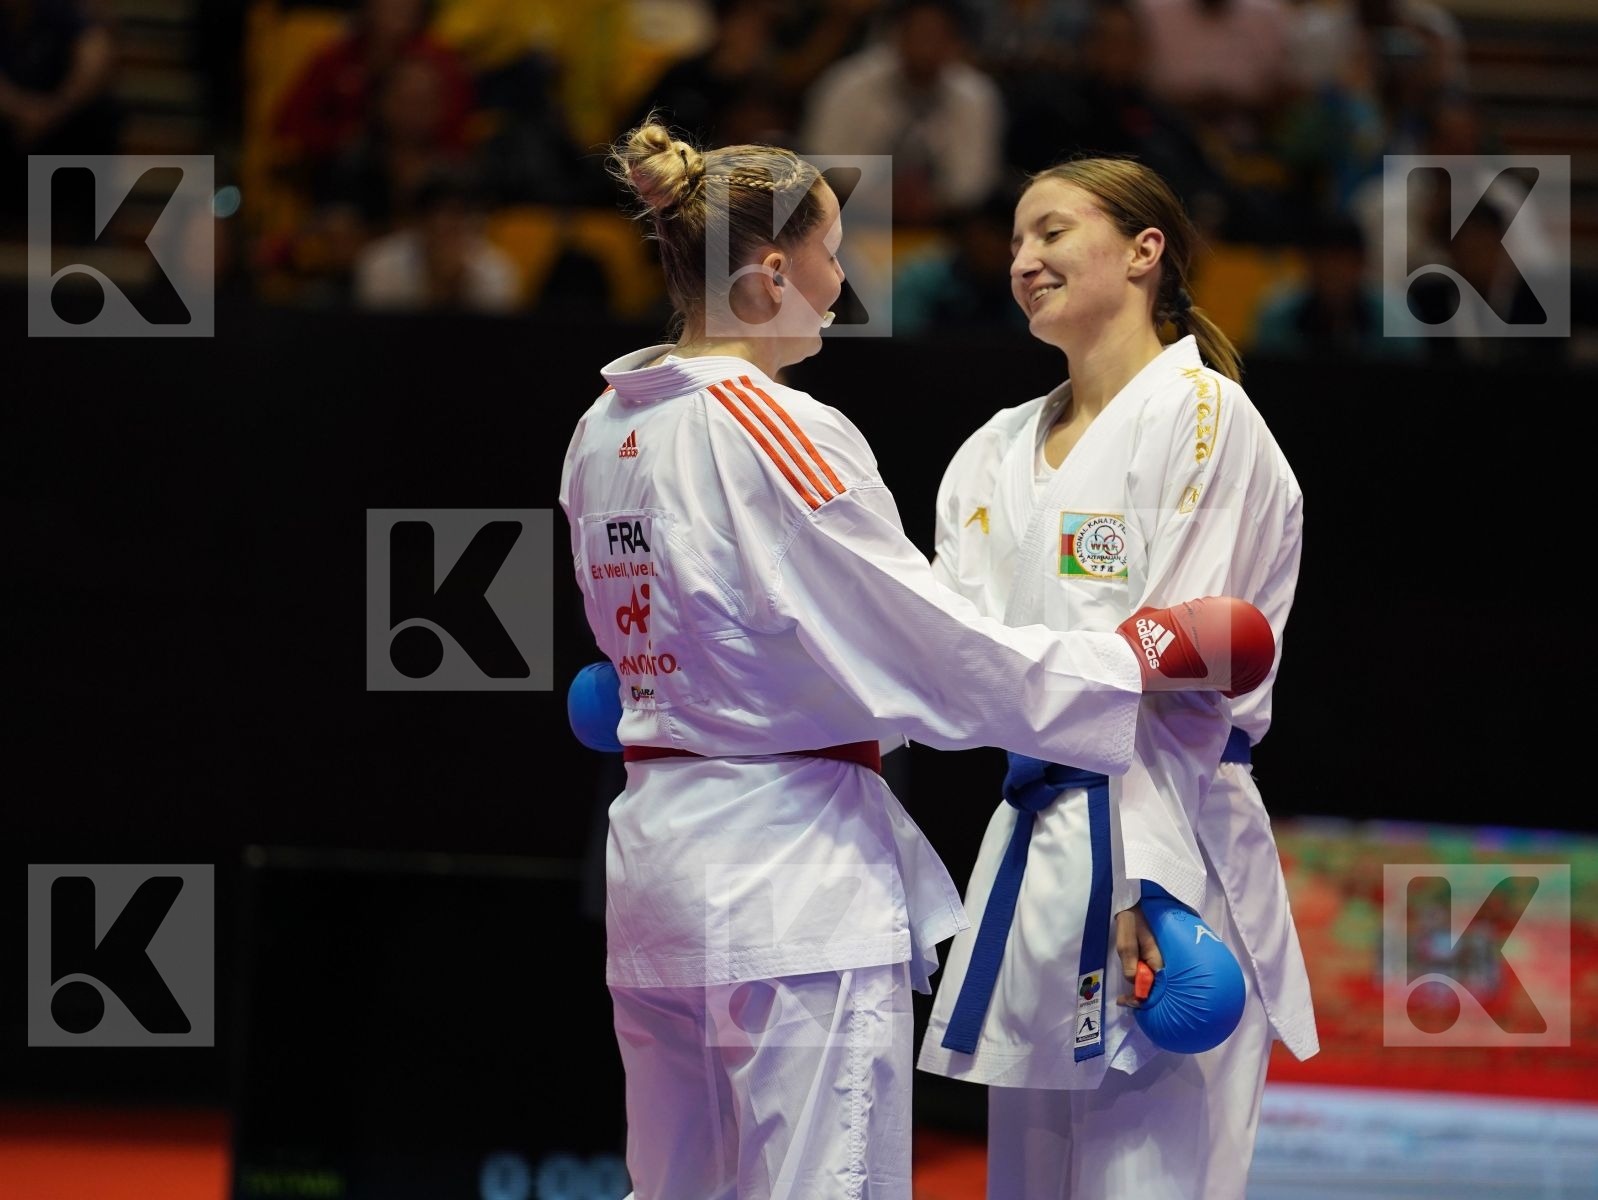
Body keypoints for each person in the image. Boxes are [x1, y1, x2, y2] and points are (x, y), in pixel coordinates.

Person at [558, 118, 1278, 1200]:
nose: (842, 285)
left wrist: (659, 690)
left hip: (660, 865)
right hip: (786, 876)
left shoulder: (603, 426)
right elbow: (927, 648)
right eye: (830, 253)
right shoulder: (778, 425)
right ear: (770, 274)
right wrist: (1130, 658)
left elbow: (705, 629)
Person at [913, 155, 1320, 1199]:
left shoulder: (1201, 415)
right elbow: (946, 668)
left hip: (1168, 838)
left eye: (1050, 231)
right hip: (1036, 845)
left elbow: (1176, 678)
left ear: (1145, 252)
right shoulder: (991, 452)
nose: (1022, 259)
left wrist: (1145, 883)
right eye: (1015, 241)